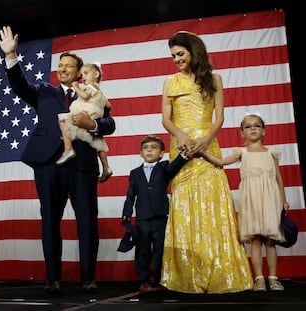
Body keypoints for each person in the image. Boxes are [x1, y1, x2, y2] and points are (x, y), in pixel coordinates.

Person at [0, 26, 116, 293]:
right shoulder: (42, 91)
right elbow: (19, 85)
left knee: (87, 221)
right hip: (49, 164)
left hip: (82, 164)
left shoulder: (93, 95)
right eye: (60, 65)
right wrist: (11, 57)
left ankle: (88, 279)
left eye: (68, 66)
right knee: (49, 219)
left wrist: (93, 125)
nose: (62, 69)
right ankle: (53, 279)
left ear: (78, 71)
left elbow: (109, 123)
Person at [160, 31, 253, 293]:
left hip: (207, 145)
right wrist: (181, 136)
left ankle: (220, 271)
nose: (176, 59)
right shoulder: (170, 82)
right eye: (173, 55)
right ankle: (186, 274)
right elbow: (166, 119)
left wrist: (205, 140)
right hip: (181, 148)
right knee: (184, 204)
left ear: (194, 51)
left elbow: (220, 117)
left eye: (180, 54)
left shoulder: (214, 79)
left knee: (213, 203)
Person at [200, 113, 289, 292]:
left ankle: (273, 278)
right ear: (242, 133)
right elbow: (221, 162)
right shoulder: (243, 153)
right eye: (248, 126)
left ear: (263, 131)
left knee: (270, 241)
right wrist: (203, 152)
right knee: (256, 240)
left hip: (270, 199)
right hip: (251, 200)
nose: (253, 129)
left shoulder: (271, 153)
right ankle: (258, 280)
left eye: (256, 125)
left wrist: (284, 200)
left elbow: (278, 177)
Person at [121, 135, 189, 293]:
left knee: (160, 249)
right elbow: (131, 194)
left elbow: (174, 168)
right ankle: (144, 280)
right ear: (140, 153)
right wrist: (127, 211)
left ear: (161, 153)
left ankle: (158, 279)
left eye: (153, 147)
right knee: (142, 249)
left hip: (160, 216)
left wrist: (183, 155)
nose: (149, 150)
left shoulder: (164, 167)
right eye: (145, 148)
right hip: (142, 217)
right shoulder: (135, 173)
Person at [56, 62, 113, 183]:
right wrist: (101, 106)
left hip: (86, 115)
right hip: (91, 114)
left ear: (96, 74)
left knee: (62, 120)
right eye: (82, 75)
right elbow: (108, 104)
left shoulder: (91, 86)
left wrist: (76, 87)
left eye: (86, 73)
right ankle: (106, 168)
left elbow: (85, 96)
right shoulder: (99, 91)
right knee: (99, 145)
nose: (83, 77)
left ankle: (68, 149)